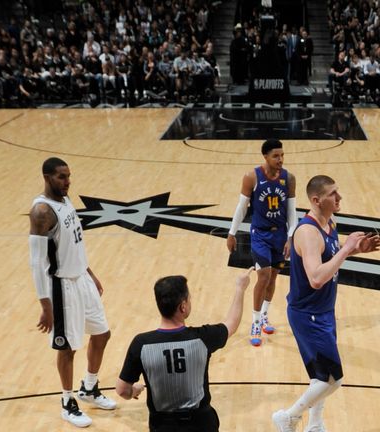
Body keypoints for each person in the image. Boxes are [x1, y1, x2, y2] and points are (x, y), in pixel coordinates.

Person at [272, 175, 379, 431]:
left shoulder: (329, 222)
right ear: (316, 200)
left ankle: (315, 424)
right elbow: (317, 278)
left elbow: (329, 253)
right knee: (334, 379)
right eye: (333, 194)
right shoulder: (307, 232)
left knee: (320, 375)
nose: (339, 198)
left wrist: (355, 249)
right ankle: (287, 417)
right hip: (307, 314)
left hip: (323, 311)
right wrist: (345, 251)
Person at [29, 157, 117, 428]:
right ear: (46, 177)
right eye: (61, 177)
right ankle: (67, 401)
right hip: (62, 287)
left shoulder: (65, 200)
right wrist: (46, 306)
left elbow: (74, 242)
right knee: (67, 348)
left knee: (102, 333)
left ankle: (88, 387)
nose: (67, 181)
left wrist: (90, 272)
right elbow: (37, 263)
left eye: (68, 176)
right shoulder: (42, 212)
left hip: (81, 279)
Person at [116, 269, 253, 431]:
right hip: (201, 424)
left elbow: (122, 390)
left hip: (163, 426)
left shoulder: (141, 344)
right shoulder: (202, 338)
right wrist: (240, 288)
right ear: (183, 307)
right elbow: (232, 323)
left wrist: (134, 391)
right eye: (189, 299)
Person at [226, 139, 296, 346]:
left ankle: (265, 314)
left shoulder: (289, 178)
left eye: (282, 155)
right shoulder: (251, 177)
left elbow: (292, 211)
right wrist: (232, 233)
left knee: (273, 277)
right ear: (265, 156)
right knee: (263, 276)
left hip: (280, 234)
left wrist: (291, 237)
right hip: (260, 234)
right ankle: (255, 323)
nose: (280, 159)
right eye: (276, 156)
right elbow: (241, 208)